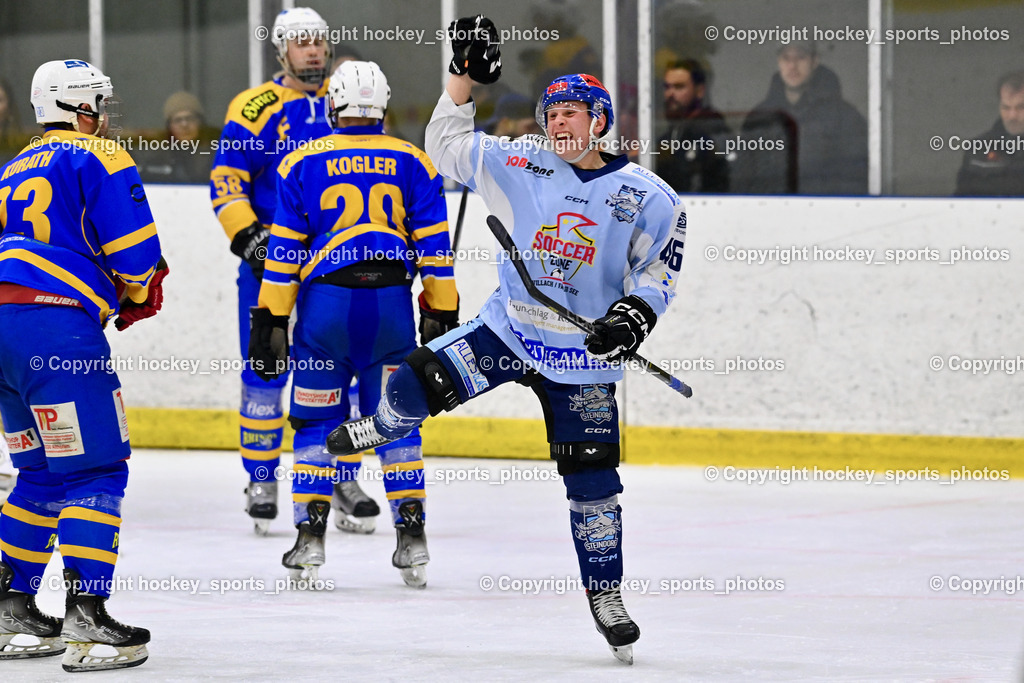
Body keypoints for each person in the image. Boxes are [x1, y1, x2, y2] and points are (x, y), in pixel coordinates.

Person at [327, 16, 686, 664]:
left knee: (594, 485)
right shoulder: (520, 161)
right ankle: (384, 421)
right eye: (552, 112)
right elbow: (444, 147)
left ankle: (606, 595)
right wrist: (463, 78)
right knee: (411, 379)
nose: (560, 123)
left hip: (583, 363)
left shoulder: (648, 197)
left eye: (573, 113)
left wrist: (631, 317)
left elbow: (658, 272)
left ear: (600, 119)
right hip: (511, 330)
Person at [249, 60, 457, 589]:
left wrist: (270, 318)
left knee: (316, 425)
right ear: (383, 105)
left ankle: (310, 540)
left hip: (327, 309)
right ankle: (413, 538)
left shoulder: (299, 161)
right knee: (396, 421)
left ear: (332, 104)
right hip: (390, 306)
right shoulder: (414, 159)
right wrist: (441, 311)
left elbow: (284, 253)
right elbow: (436, 250)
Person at [0, 59, 167, 672]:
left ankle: (8, 606)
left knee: (40, 473)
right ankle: (88, 620)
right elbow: (136, 254)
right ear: (82, 107)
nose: (105, 114)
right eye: (99, 102)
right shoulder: (101, 155)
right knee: (96, 470)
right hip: (57, 333)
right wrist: (136, 288)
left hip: (2, 330)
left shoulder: (9, 167)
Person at [210, 7, 379, 535]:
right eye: (300, 43)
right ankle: (261, 477)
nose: (311, 51)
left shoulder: (348, 98)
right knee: (266, 370)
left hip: (334, 271)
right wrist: (250, 237)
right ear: (280, 51)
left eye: (318, 42)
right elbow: (226, 179)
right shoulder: (256, 106)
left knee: (341, 379)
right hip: (272, 268)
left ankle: (342, 476)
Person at [736, 41, 867, 195]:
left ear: (815, 61)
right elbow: (744, 176)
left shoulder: (845, 117)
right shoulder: (760, 116)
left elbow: (856, 177)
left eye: (801, 58)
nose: (792, 65)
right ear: (779, 62)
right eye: (786, 58)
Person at [655, 59, 730, 193]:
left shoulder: (713, 128)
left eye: (679, 87)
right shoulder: (671, 132)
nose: (670, 94)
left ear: (699, 90)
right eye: (667, 87)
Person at [955, 70, 1024, 196]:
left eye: (1021, 107)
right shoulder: (978, 148)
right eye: (1006, 107)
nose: (1012, 116)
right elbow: (960, 201)